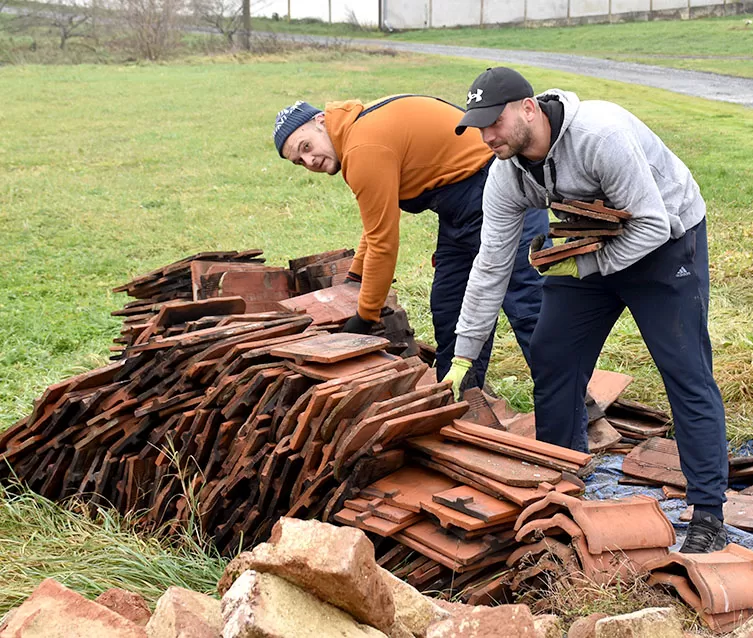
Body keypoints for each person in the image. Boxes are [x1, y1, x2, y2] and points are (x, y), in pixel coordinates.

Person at [442, 67, 729, 553]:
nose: (487, 135)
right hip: (591, 243)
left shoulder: (600, 135)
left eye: (495, 121)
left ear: (528, 108)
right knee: (553, 356)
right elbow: (489, 266)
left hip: (666, 239)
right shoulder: (506, 176)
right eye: (478, 126)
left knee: (684, 369)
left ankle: (707, 514)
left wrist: (585, 268)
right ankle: (561, 487)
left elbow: (653, 225)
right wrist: (463, 358)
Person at [272, 96, 548, 389]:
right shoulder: (356, 133)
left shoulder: (363, 147)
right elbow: (378, 221)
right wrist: (355, 277)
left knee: (527, 304)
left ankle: (574, 406)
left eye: (306, 147)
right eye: (299, 161)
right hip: (460, 210)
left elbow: (383, 242)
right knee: (450, 307)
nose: (309, 161)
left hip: (501, 190)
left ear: (321, 122)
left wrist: (365, 316)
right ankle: (463, 402)